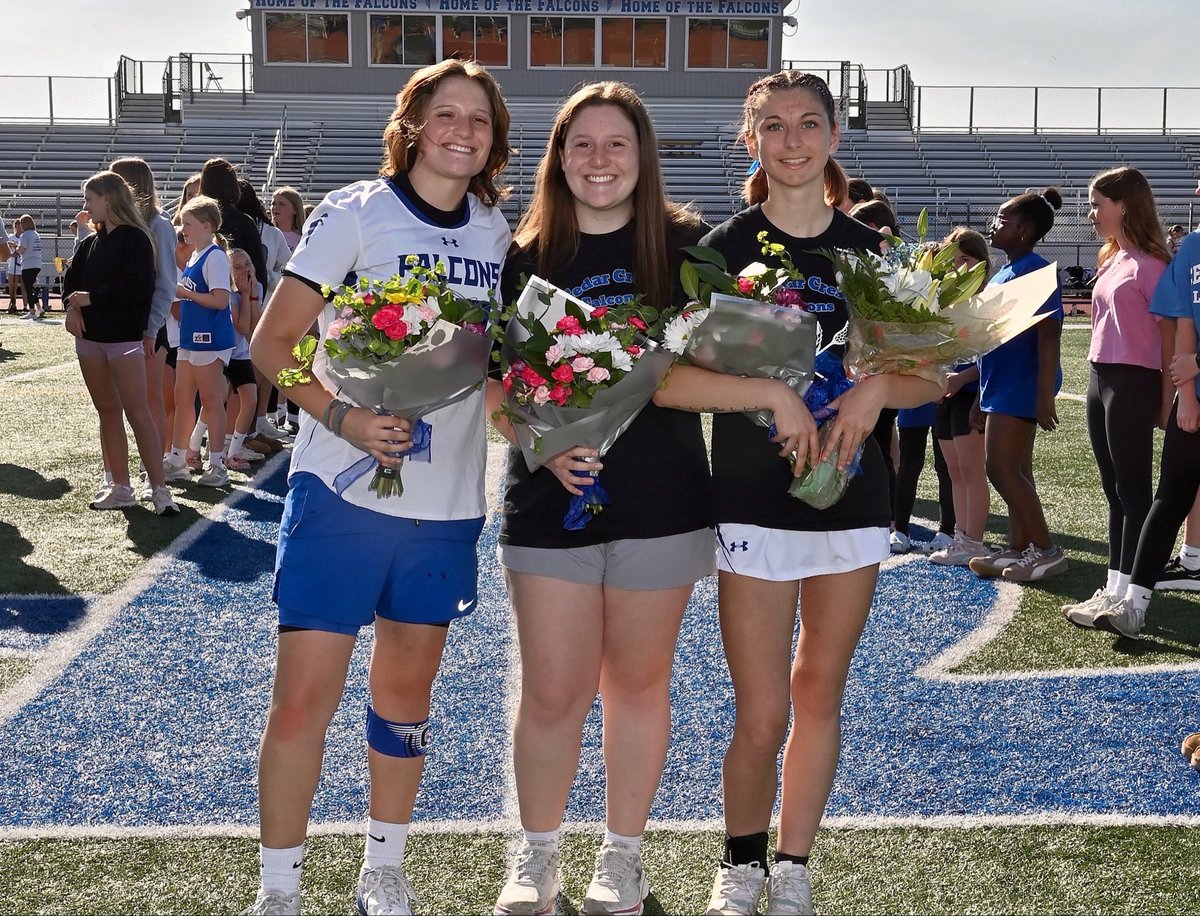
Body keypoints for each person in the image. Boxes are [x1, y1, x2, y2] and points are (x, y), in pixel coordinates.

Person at [654, 70, 944, 916]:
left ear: (834, 136)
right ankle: (739, 864)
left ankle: (793, 867)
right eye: (774, 126)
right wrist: (765, 394)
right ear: (750, 141)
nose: (792, 141)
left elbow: (929, 377)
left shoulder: (876, 254)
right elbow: (667, 381)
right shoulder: (717, 251)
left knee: (820, 691)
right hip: (753, 499)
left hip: (852, 499)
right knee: (762, 709)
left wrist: (875, 391)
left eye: (808, 124)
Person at [243, 59, 512, 916]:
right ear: (413, 125)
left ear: (495, 140)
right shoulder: (356, 211)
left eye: (480, 119)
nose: (463, 130)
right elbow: (272, 343)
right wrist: (345, 418)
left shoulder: (496, 231)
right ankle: (280, 888)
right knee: (303, 701)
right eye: (447, 114)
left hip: (446, 502)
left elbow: (491, 370)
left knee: (405, 698)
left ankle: (383, 867)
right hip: (341, 491)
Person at [489, 82, 712, 916]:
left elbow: (711, 365)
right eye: (580, 143)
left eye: (616, 143)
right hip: (549, 503)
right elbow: (491, 386)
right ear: (558, 158)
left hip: (662, 499)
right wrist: (542, 443)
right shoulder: (523, 254)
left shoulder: (687, 247)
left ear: (642, 156)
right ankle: (537, 857)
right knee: (554, 690)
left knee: (637, 687)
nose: (598, 159)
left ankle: (622, 858)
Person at [1075, 225, 1199, 639]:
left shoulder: (1156, 262)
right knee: (1168, 496)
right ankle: (1131, 604)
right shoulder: (1194, 245)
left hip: (1156, 381)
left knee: (1145, 494)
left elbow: (1177, 336)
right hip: (1192, 396)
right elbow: (1185, 322)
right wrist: (1186, 395)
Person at [1060, 168, 1171, 626]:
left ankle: (1129, 597)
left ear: (1123, 206)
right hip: (1099, 376)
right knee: (1113, 490)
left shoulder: (1153, 265)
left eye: (1097, 205)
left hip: (1134, 382)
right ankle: (1112, 588)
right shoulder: (1112, 258)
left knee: (1132, 490)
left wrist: (1167, 400)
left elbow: (1171, 338)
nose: (1091, 214)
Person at [61, 171, 178, 516]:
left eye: (90, 199)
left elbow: (138, 288)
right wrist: (71, 308)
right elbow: (71, 282)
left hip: (124, 339)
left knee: (138, 412)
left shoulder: (138, 239)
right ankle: (121, 487)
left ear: (108, 199)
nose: (86, 206)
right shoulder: (89, 243)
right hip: (90, 340)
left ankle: (160, 489)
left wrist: (91, 298)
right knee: (108, 411)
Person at [967, 188, 1068, 583]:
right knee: (1018, 469)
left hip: (1022, 383)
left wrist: (1043, 394)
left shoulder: (1036, 269)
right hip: (1001, 383)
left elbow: (1049, 333)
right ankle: (1018, 544)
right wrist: (980, 396)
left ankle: (1046, 550)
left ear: (1024, 230)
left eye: (1002, 220)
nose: (993, 225)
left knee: (1000, 469)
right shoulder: (1005, 271)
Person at [110, 156, 180, 482]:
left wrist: (151, 328)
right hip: (121, 325)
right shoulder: (119, 224)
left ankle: (154, 463)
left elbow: (166, 283)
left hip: (149, 326)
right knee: (118, 403)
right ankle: (119, 473)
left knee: (150, 400)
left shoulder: (159, 224)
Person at [928, 228, 995, 567]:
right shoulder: (942, 300)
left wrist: (962, 379)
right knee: (954, 471)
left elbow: (992, 357)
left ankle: (974, 540)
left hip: (972, 394)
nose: (958, 268)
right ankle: (961, 537)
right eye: (951, 261)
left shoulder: (988, 303)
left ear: (981, 263)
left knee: (971, 471)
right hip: (947, 393)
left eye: (965, 260)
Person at [164, 195, 235, 489]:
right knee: (182, 398)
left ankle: (217, 465)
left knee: (210, 400)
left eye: (189, 224)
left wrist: (185, 293)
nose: (184, 229)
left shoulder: (214, 256)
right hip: (190, 337)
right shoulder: (195, 255)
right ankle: (177, 459)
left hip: (210, 338)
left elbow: (220, 300)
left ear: (207, 226)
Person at [890, 401, 955, 553]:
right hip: (914, 399)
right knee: (908, 466)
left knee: (945, 467)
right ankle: (900, 529)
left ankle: (947, 531)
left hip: (945, 398)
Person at [222, 248, 264, 472]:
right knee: (217, 401)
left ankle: (231, 448)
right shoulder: (229, 292)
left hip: (240, 353)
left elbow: (255, 327)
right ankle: (197, 448)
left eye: (247, 264)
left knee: (245, 399)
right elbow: (242, 327)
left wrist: (252, 294)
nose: (245, 270)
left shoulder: (256, 287)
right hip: (224, 352)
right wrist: (246, 296)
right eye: (237, 267)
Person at [198, 158, 267, 287]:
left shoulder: (196, 221)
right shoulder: (244, 222)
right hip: (238, 295)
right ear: (233, 185)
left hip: (201, 293)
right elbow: (259, 274)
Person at [15, 215, 43, 319]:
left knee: (28, 288)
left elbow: (21, 250)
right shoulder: (35, 234)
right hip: (37, 263)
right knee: (29, 287)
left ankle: (33, 311)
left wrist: (14, 246)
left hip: (28, 264)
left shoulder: (25, 235)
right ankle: (37, 308)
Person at [271, 186, 307, 251]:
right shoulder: (265, 234)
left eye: (281, 204)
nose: (275, 207)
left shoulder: (304, 239)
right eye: (273, 204)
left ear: (295, 209)